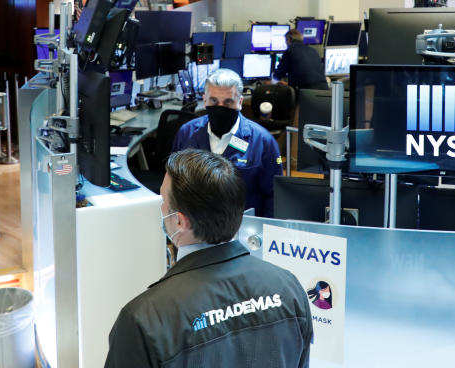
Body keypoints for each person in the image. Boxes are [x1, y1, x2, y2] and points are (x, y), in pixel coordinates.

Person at [104, 149, 312, 368]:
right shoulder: (289, 288)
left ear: (180, 222)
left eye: (163, 199)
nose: (161, 207)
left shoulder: (143, 319)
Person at [172, 68, 281, 217]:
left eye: (228, 102)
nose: (220, 108)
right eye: (214, 101)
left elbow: (273, 196)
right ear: (204, 101)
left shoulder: (263, 141)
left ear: (240, 102)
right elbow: (174, 185)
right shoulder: (186, 133)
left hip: (242, 230)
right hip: (196, 228)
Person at [273, 28, 328, 98]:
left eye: (286, 41)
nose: (286, 43)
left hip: (306, 94)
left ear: (289, 39)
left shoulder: (290, 51)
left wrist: (271, 82)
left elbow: (279, 73)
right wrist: (289, 84)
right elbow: (309, 77)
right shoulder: (313, 50)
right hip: (324, 92)